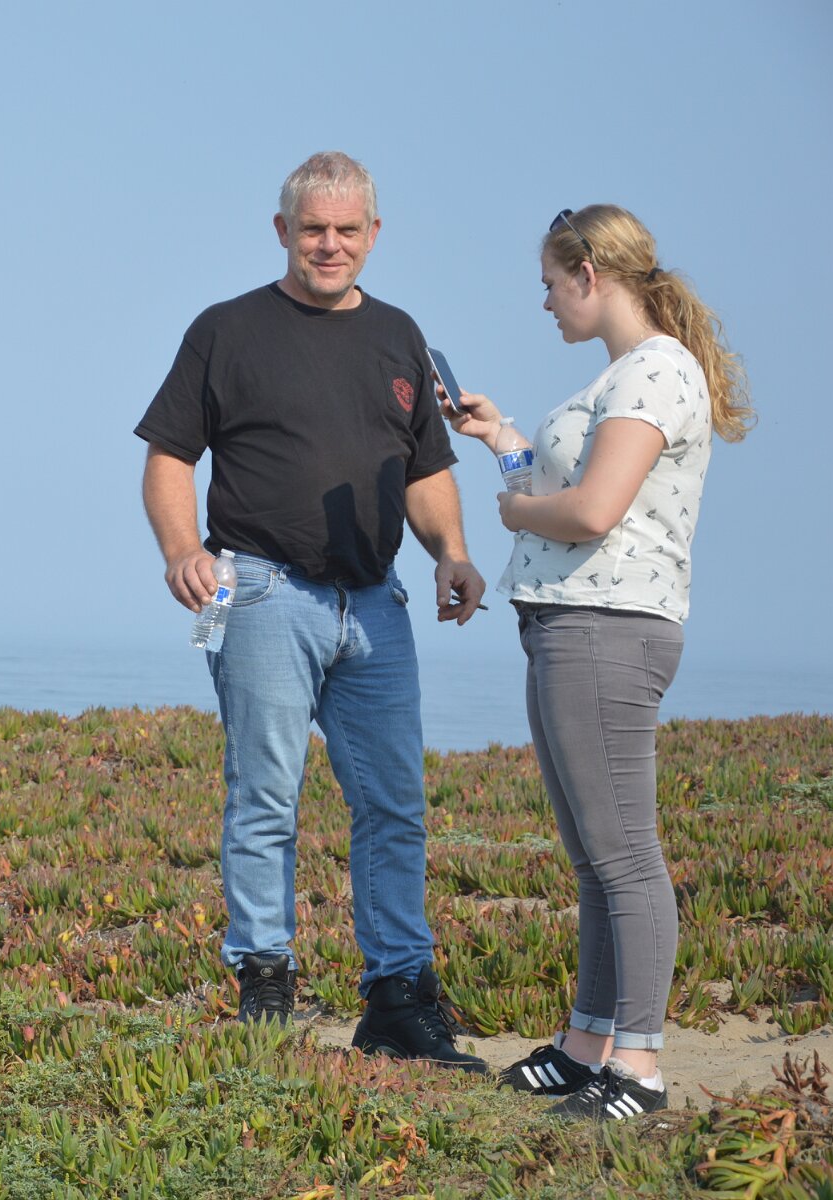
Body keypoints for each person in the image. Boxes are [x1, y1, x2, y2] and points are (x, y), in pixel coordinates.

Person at [134, 150, 487, 1071]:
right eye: (313, 228)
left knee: (394, 804)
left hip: (377, 603)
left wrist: (451, 553)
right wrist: (180, 550)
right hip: (257, 591)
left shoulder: (400, 335)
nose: (330, 245)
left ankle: (398, 999)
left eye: (347, 229)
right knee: (264, 798)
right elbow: (168, 455)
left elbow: (425, 469)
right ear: (282, 230)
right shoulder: (225, 329)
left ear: (374, 233)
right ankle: (264, 986)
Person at [442, 205, 752, 1120]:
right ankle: (586, 1048)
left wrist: (511, 512)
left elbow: (589, 510)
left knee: (623, 857)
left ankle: (639, 1071)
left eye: (549, 283)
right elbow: (566, 485)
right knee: (593, 857)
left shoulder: (655, 371)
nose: (543, 302)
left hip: (605, 628)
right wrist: (502, 440)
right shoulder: (622, 376)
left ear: (588, 273)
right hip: (567, 623)